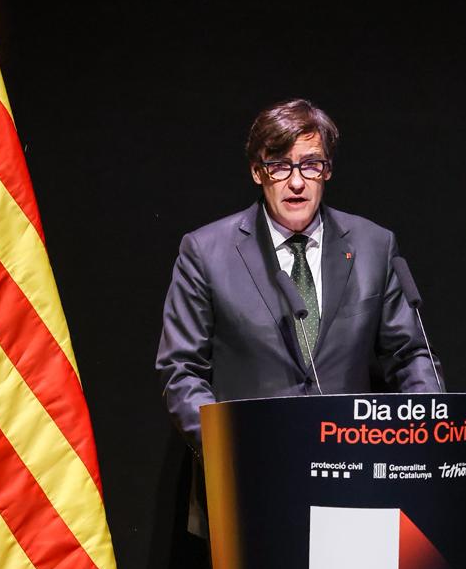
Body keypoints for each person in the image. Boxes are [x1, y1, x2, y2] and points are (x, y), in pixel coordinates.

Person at [156, 99, 441, 453]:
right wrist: (230, 449)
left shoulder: (374, 246)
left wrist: (428, 429)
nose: (296, 182)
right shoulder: (205, 252)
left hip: (352, 471)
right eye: (279, 166)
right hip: (249, 473)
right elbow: (182, 370)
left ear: (327, 170)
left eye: (310, 165)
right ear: (257, 173)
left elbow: (411, 355)